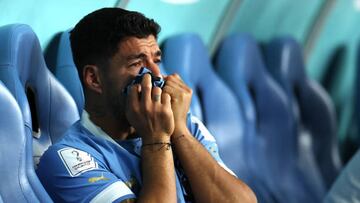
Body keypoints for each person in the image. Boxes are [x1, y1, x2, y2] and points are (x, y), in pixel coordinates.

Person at [36, 7, 257, 203]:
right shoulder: (70, 160)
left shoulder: (185, 124)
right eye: (137, 63)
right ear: (94, 79)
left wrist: (178, 130)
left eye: (156, 60)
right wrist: (157, 139)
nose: (157, 75)